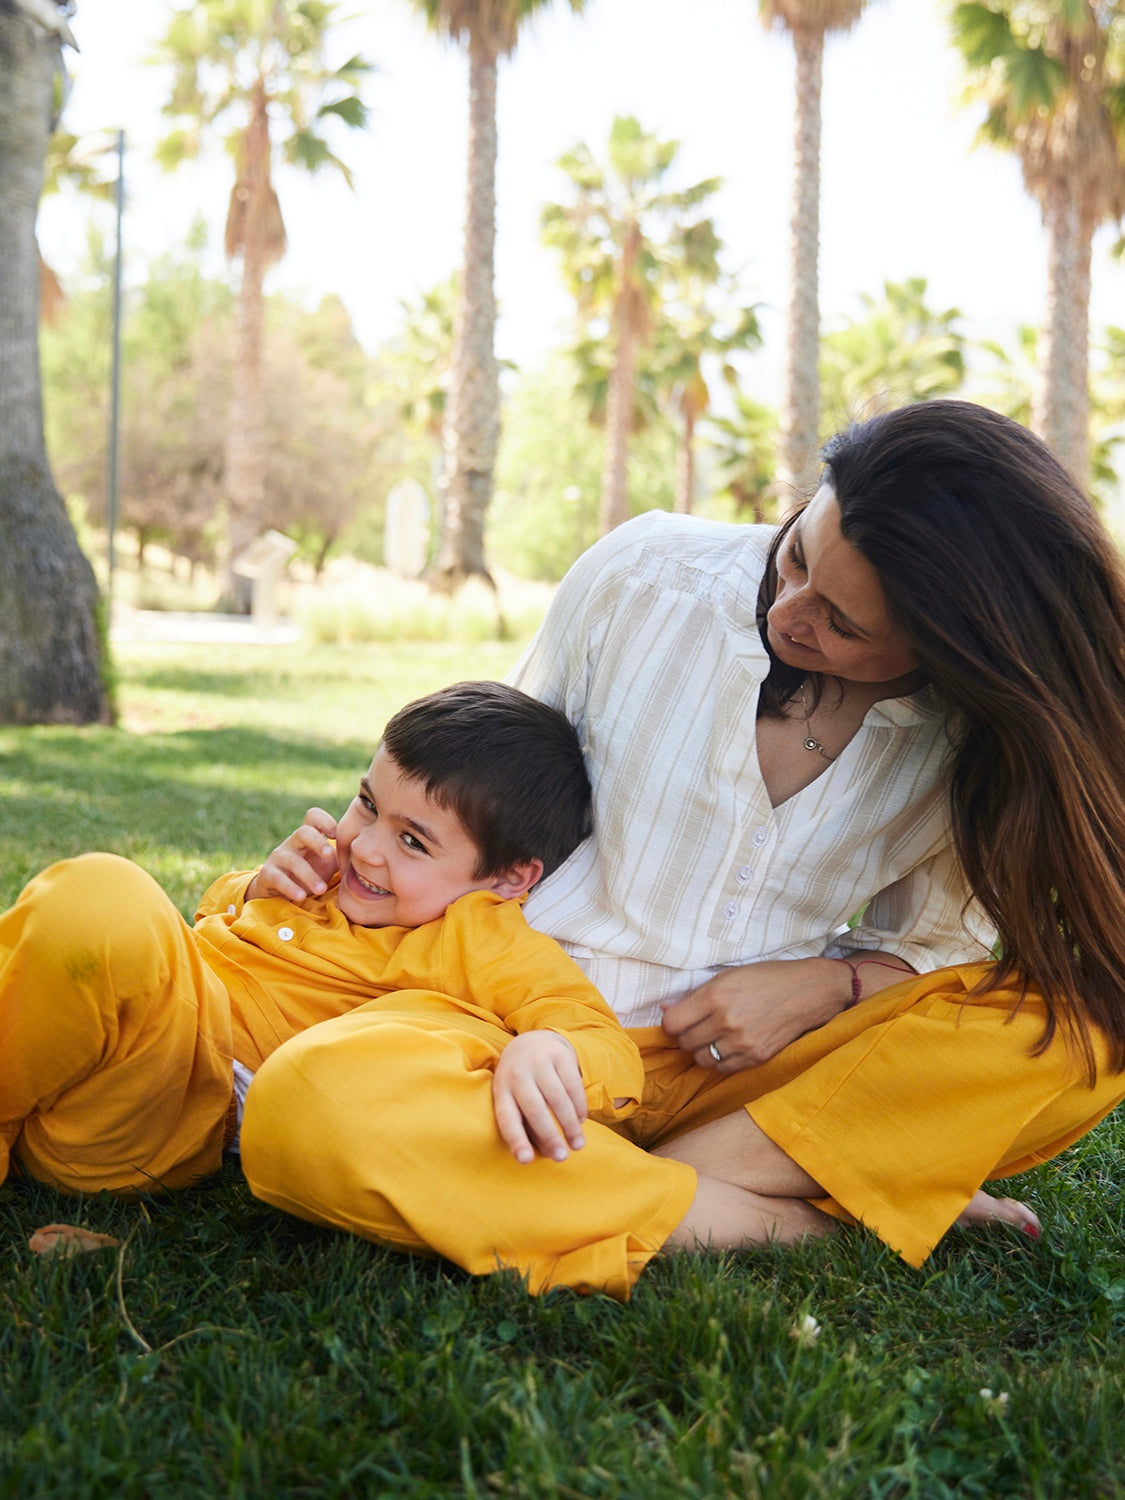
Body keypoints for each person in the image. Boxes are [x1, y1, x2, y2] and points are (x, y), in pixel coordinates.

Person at [241, 401, 1125, 1297]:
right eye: (795, 557)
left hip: (746, 1079)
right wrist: (349, 867)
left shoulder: (975, 733)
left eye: (843, 625)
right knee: (311, 1105)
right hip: (511, 1032)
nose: (788, 609)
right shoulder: (645, 574)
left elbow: (932, 945)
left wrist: (827, 984)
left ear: (951, 648)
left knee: (1083, 1035)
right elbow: (483, 791)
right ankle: (773, 1211)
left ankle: (599, 1177)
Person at [0, 682, 646, 1221]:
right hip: (78, 1046)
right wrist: (254, 885)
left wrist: (550, 1048)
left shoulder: (480, 936)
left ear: (508, 878)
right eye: (367, 804)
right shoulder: (331, 866)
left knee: (103, 892)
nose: (366, 847)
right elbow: (199, 930)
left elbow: (606, 1045)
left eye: (413, 843)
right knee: (93, 899)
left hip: (159, 1103)